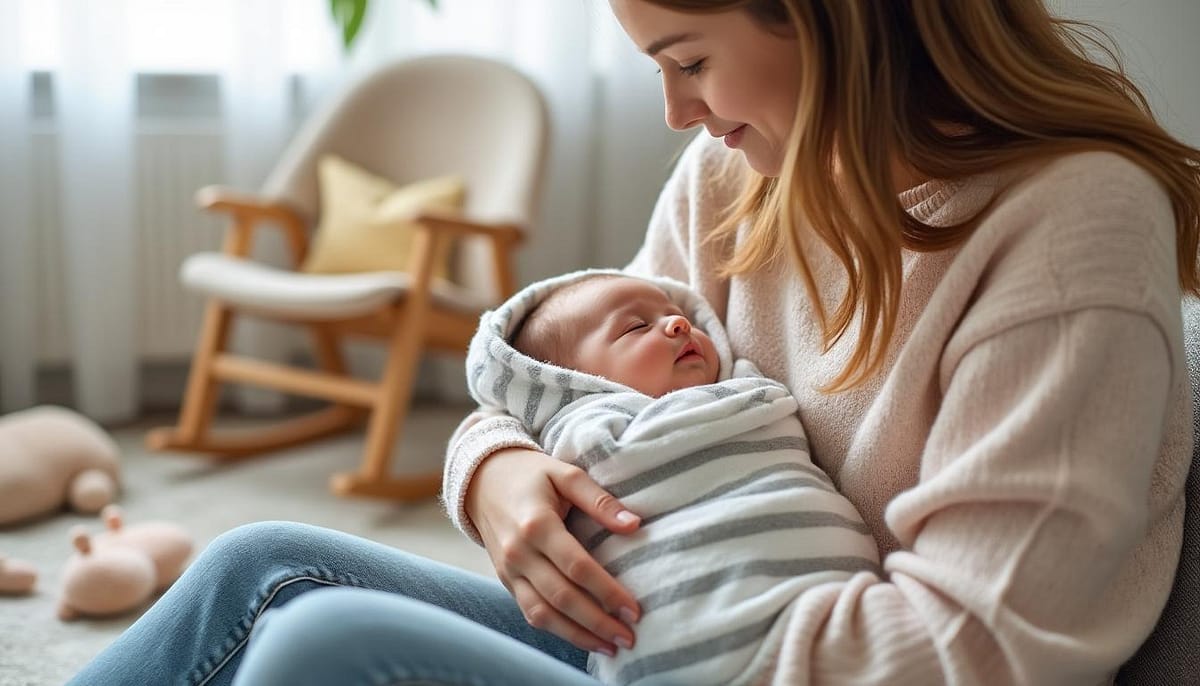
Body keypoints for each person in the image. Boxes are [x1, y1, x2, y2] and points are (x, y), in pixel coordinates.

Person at [70, 1, 1200, 684]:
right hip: (686, 623)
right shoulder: (739, 172)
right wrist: (495, 468)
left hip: (761, 662)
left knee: (326, 647)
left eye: (690, 59)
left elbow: (978, 651)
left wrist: (694, 642)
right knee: (259, 560)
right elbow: (562, 377)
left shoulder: (1068, 221)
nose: (675, 110)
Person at [467, 268, 880, 685]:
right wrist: (488, 464)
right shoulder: (584, 427)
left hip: (838, 621)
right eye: (637, 327)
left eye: (680, 315)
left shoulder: (742, 387)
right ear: (575, 383)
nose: (679, 323)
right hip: (677, 646)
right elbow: (493, 422)